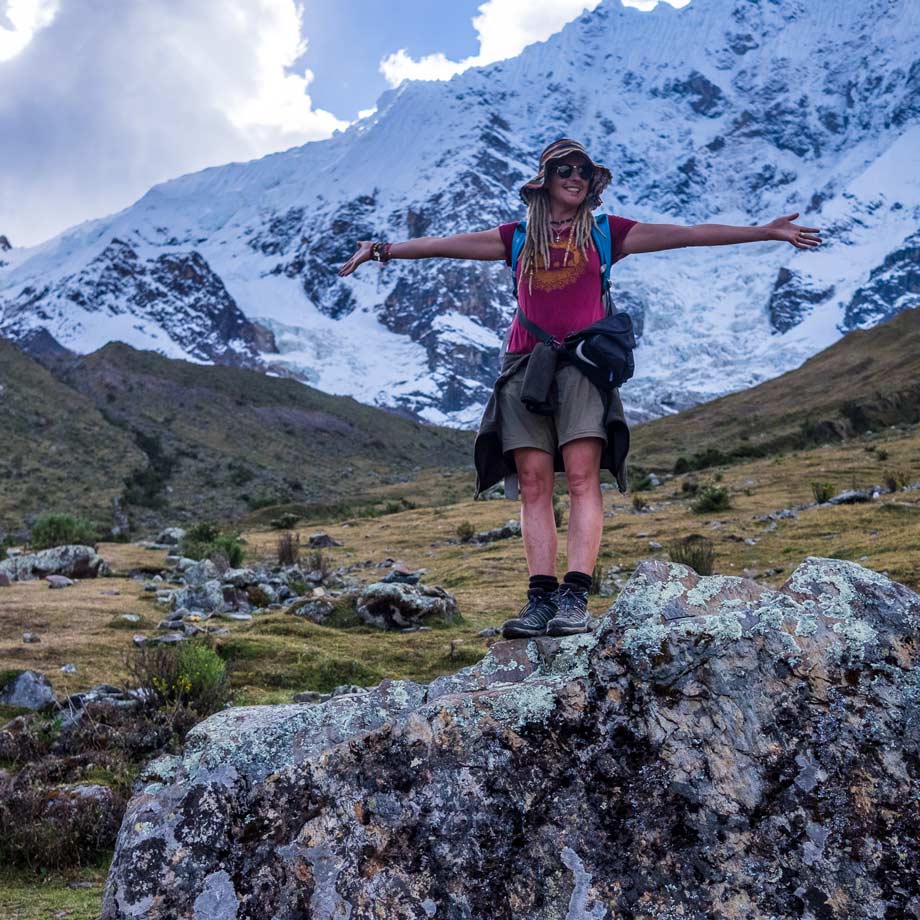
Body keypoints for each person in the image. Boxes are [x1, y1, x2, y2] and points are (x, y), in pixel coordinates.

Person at [337, 138, 822, 641]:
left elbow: (689, 234)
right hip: (526, 365)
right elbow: (444, 244)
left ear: (593, 183)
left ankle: (574, 595)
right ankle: (540, 599)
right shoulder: (517, 238)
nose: (576, 176)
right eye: (565, 169)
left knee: (585, 477)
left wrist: (764, 232)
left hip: (583, 368)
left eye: (585, 171)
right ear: (544, 179)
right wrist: (381, 250)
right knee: (532, 482)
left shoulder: (609, 234)